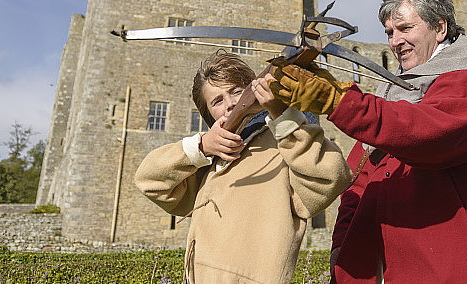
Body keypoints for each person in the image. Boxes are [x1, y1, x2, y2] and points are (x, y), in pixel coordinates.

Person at [266, 0, 467, 283]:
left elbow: (427, 132)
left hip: (454, 265)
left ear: (440, 28)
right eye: (389, 33)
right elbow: (358, 180)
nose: (396, 42)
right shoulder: (391, 96)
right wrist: (343, 244)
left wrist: (339, 102)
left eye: (405, 29)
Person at [135, 50, 352, 283]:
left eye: (237, 91)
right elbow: (149, 180)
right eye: (217, 101)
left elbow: (330, 177)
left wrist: (282, 117)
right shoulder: (208, 160)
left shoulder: (283, 142)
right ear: (209, 115)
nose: (230, 104)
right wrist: (201, 146)